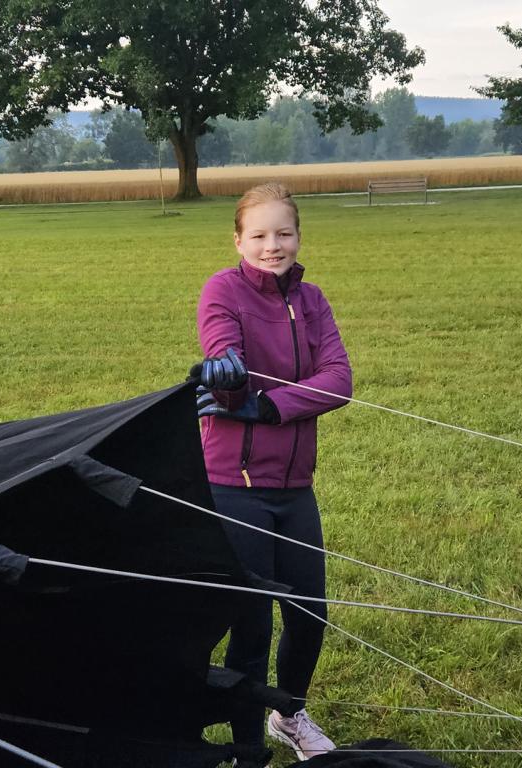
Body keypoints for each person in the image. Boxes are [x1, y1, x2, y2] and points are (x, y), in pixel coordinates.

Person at [192, 182, 352, 762]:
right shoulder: (222, 290)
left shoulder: (312, 301)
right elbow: (222, 349)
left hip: (295, 487)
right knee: (252, 626)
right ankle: (247, 748)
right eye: (258, 235)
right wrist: (228, 376)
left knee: (310, 616)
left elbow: (339, 380)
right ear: (238, 240)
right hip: (235, 487)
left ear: (298, 236)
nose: (272, 246)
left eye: (283, 233)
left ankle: (289, 715)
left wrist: (269, 406)